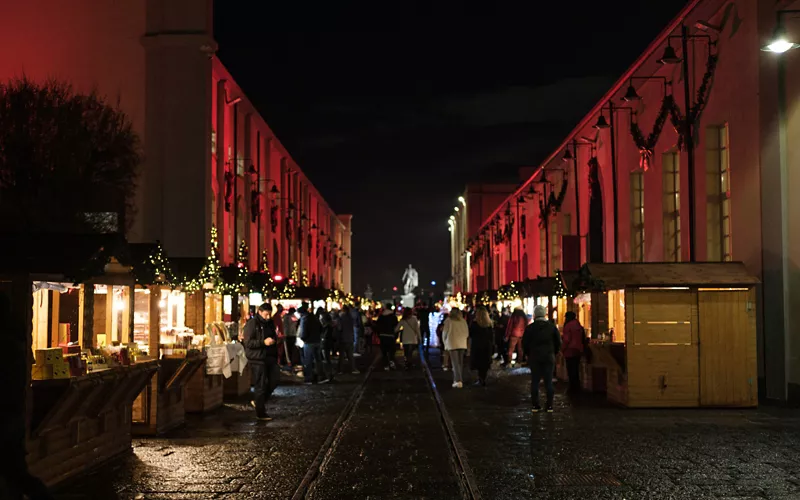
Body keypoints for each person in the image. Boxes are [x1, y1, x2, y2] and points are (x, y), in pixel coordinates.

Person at [0, 291, 54, 500]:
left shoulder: (6, 344)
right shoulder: (15, 340)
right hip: (12, 415)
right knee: (16, 473)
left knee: (15, 474)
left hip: (5, 417)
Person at [243, 303, 280, 421]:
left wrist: (275, 340)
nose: (268, 317)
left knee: (274, 380)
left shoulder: (270, 322)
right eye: (266, 314)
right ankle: (260, 413)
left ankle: (259, 401)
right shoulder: (252, 324)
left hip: (270, 357)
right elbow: (248, 343)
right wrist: (263, 343)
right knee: (260, 385)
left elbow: (272, 335)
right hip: (257, 358)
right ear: (260, 312)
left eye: (270, 314)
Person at [523, 305, 562, 413]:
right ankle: (549, 406)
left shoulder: (530, 328)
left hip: (535, 357)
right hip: (548, 356)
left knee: (535, 381)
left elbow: (525, 343)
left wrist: (527, 353)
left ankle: (535, 405)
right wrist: (555, 351)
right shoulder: (551, 327)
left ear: (535, 314)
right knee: (548, 381)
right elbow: (558, 341)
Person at [298, 303, 327, 385]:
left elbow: (303, 333)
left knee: (308, 361)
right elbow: (321, 328)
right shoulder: (314, 317)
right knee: (318, 360)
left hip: (309, 342)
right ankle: (321, 377)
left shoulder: (304, 319)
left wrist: (303, 339)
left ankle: (309, 378)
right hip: (317, 341)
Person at [443, 308, 469, 388]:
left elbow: (445, 333)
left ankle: (458, 380)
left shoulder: (448, 321)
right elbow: (467, 333)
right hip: (462, 343)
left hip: (452, 343)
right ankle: (457, 379)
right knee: (460, 362)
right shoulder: (463, 321)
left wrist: (445, 342)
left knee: (455, 363)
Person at [469, 306, 494, 386]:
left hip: (477, 346)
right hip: (487, 346)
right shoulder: (489, 325)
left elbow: (471, 334)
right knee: (484, 363)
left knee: (479, 363)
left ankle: (481, 379)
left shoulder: (474, 324)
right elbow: (491, 337)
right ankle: (483, 378)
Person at [561, 311, 585, 392]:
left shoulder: (568, 326)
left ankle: (572, 387)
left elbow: (567, 340)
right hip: (578, 349)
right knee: (576, 369)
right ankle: (577, 386)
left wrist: (562, 348)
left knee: (571, 369)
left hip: (570, 350)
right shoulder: (578, 325)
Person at [375, 303, 399, 370]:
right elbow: (396, 327)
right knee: (391, 351)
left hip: (383, 336)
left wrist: (378, 334)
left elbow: (377, 326)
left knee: (384, 352)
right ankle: (391, 363)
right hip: (391, 336)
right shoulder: (393, 317)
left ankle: (386, 365)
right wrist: (396, 336)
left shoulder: (381, 316)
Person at [338, 305, 359, 374]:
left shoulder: (341, 318)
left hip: (343, 338)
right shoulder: (350, 318)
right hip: (350, 338)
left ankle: (340, 370)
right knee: (350, 355)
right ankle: (353, 369)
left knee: (341, 356)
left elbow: (339, 328)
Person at [318, 307, 337, 382]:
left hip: (325, 344)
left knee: (326, 359)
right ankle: (329, 375)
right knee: (327, 359)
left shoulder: (327, 327)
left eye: (321, 318)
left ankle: (329, 375)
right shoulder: (329, 326)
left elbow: (325, 337)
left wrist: (322, 340)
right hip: (327, 344)